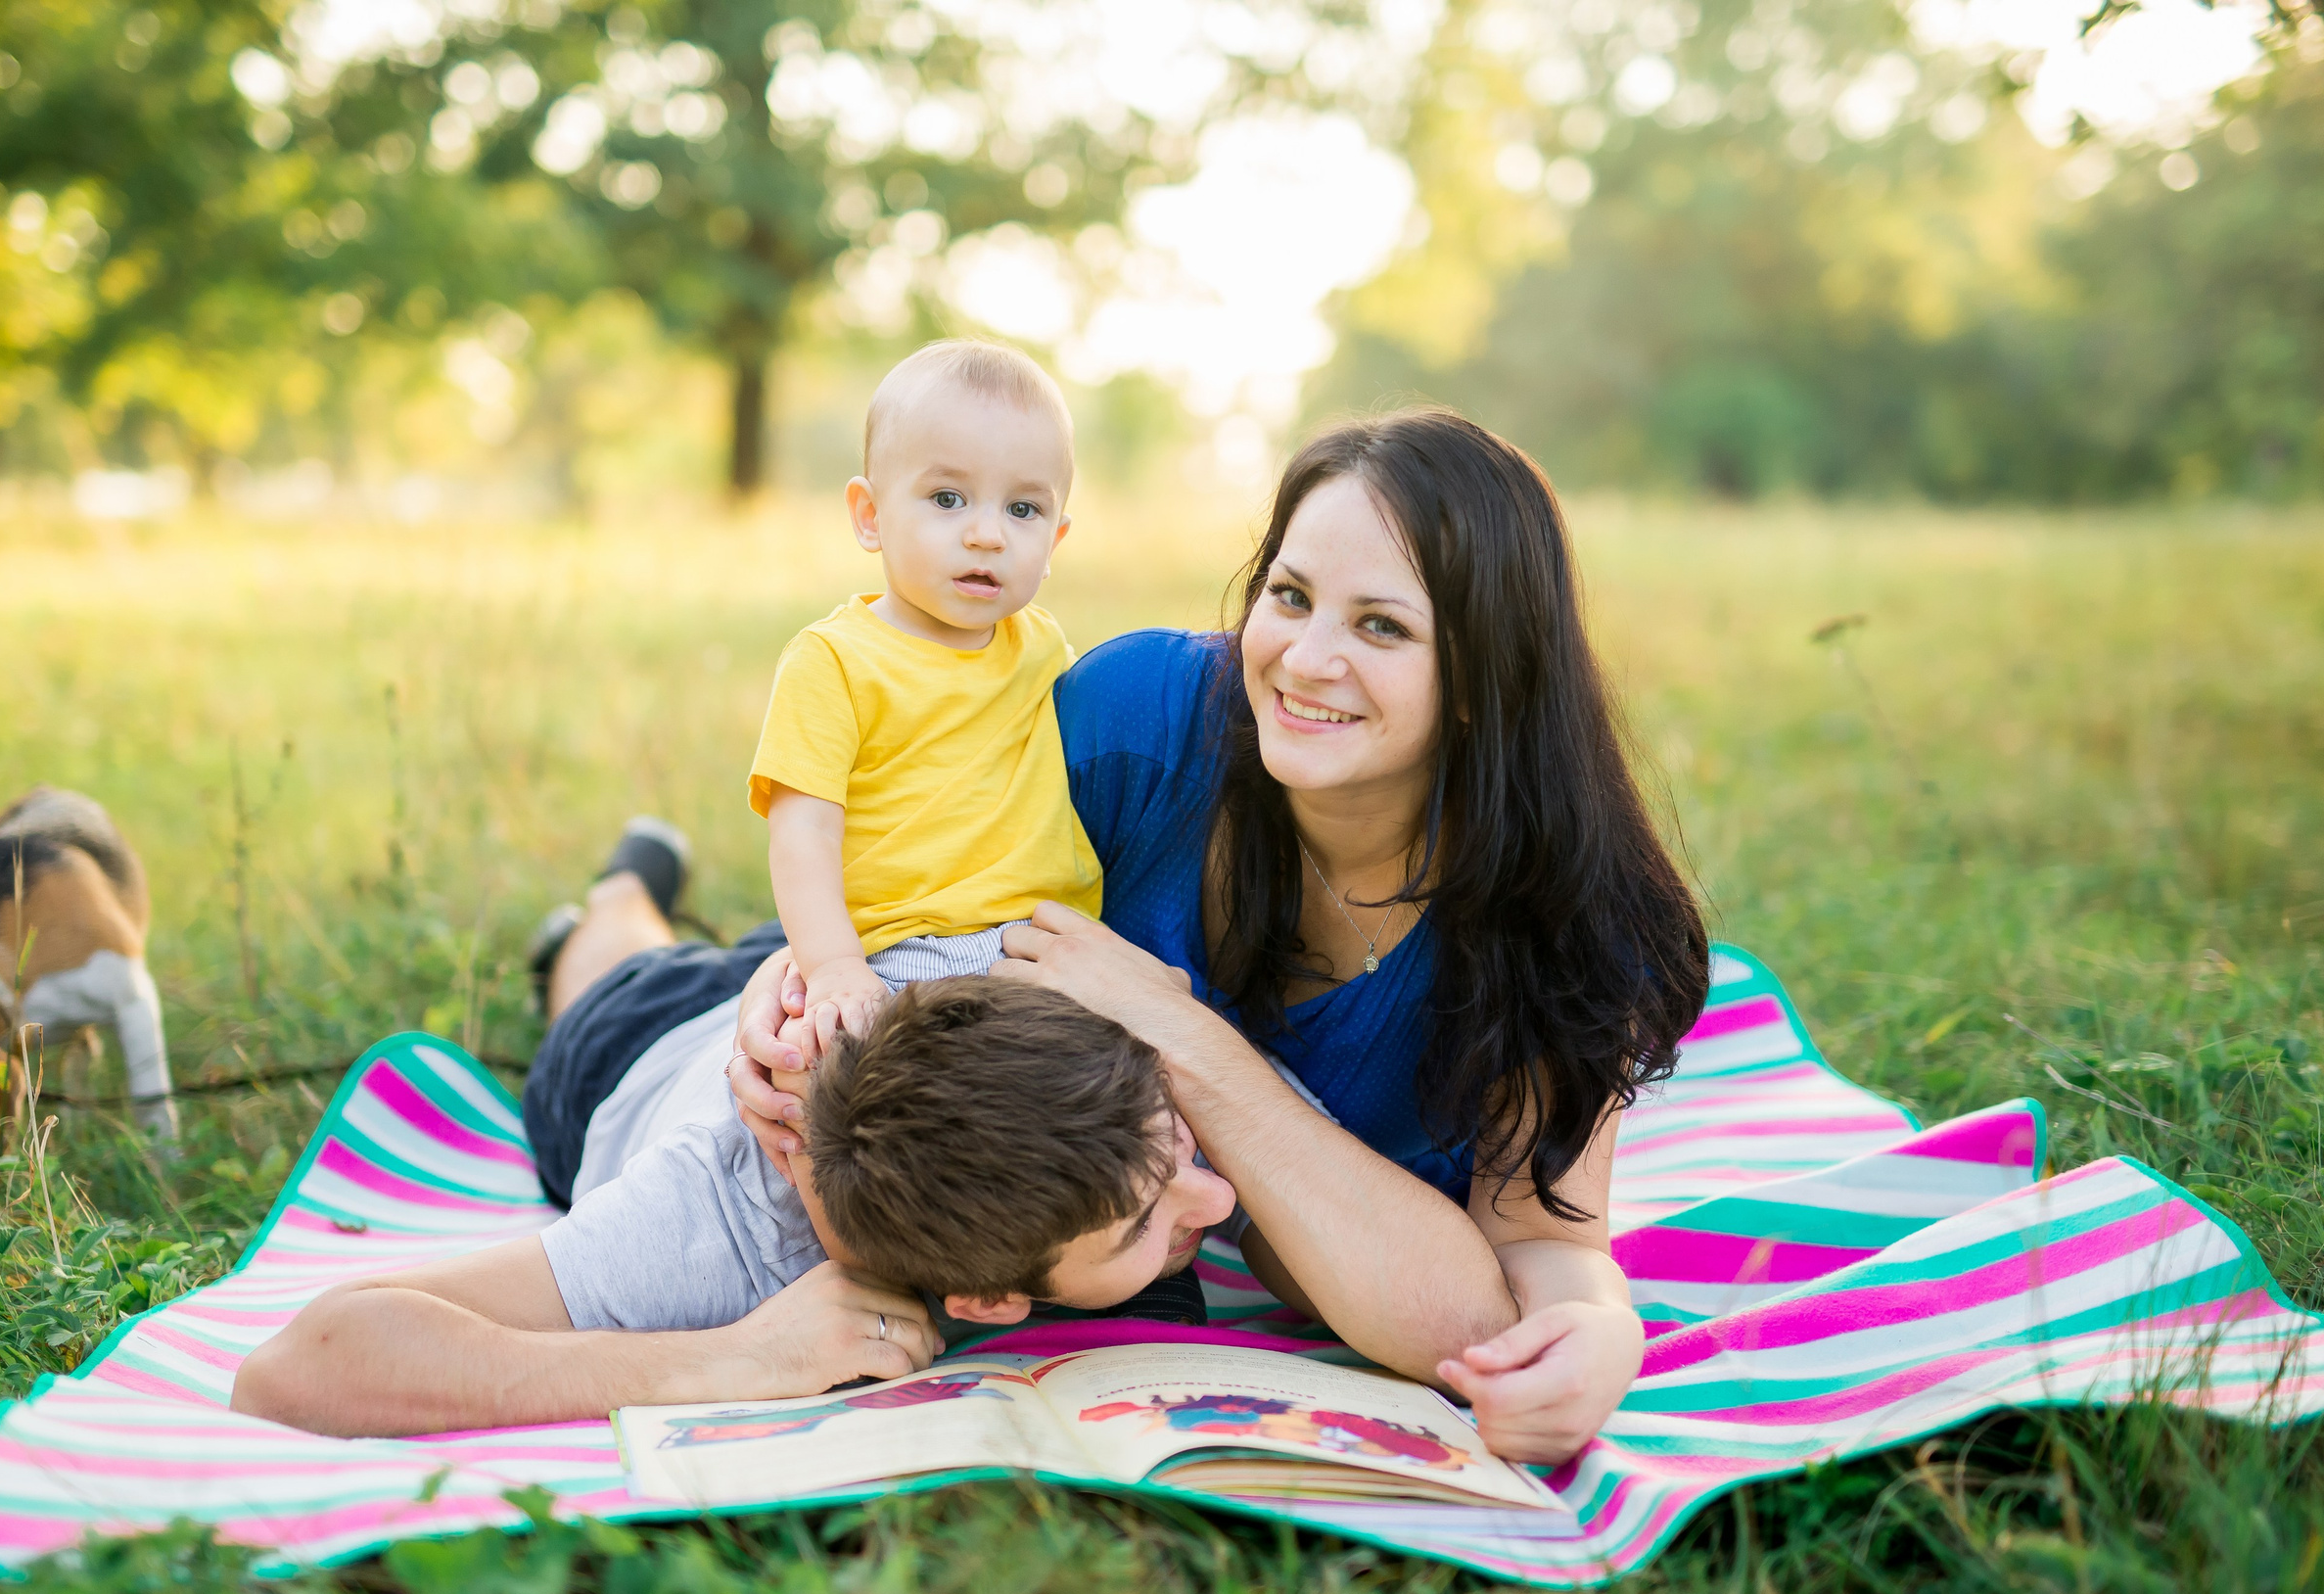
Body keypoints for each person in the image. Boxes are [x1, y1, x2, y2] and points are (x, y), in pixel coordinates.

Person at [733, 409, 1711, 1462]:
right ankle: (614, 920)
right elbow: (917, 871)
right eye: (1288, 597)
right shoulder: (1137, 721)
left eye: (1380, 626)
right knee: (622, 996)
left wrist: (1604, 1329)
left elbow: (1538, 1247)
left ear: (1484, 675)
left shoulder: (1569, 919)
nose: (1305, 658)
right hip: (859, 992)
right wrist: (787, 972)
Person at [231, 976, 1235, 1439]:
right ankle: (612, 898)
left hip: (798, 978)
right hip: (639, 1040)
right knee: (614, 966)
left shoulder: (1031, 1006)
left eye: (1174, 1136)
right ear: (980, 1298)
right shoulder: (704, 1234)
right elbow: (303, 1360)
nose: (1221, 1195)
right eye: (1146, 1219)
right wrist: (734, 1358)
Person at [754, 338, 1099, 1044]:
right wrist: (835, 966)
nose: (985, 535)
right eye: (947, 498)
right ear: (870, 515)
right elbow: (803, 834)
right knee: (843, 1096)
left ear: (1056, 540)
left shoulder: (1041, 648)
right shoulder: (837, 660)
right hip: (904, 951)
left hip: (1047, 947)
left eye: (1023, 510)